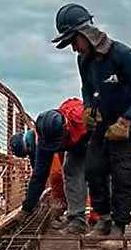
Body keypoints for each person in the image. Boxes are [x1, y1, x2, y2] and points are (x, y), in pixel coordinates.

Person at [52, 3, 131, 239]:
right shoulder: (84, 61)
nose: (73, 49)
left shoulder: (122, 55)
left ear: (85, 34)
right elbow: (87, 88)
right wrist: (88, 107)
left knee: (123, 174)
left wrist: (127, 120)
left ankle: (119, 228)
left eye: (73, 42)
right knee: (93, 169)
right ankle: (104, 220)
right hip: (103, 124)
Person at [13, 98, 89, 234]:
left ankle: (104, 219)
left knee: (100, 173)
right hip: (75, 142)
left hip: (96, 137)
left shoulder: (82, 117)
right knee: (70, 170)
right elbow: (39, 176)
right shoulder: (44, 138)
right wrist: (26, 209)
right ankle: (77, 219)